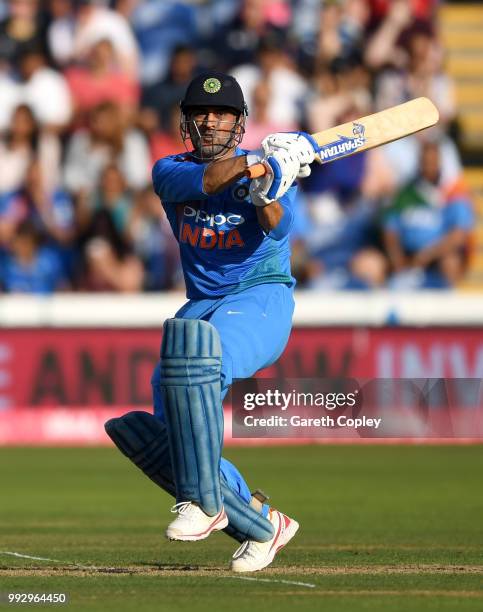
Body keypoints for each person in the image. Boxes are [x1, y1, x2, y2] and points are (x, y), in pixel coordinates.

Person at [104, 72, 319, 572]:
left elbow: (280, 226)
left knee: (200, 354)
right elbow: (206, 181)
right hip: (201, 303)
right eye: (200, 112)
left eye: (221, 113)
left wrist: (269, 185)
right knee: (166, 434)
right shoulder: (169, 170)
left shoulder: (268, 175)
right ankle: (263, 524)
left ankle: (204, 504)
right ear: (186, 122)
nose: (209, 121)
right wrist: (251, 164)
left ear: (238, 121)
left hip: (261, 298)